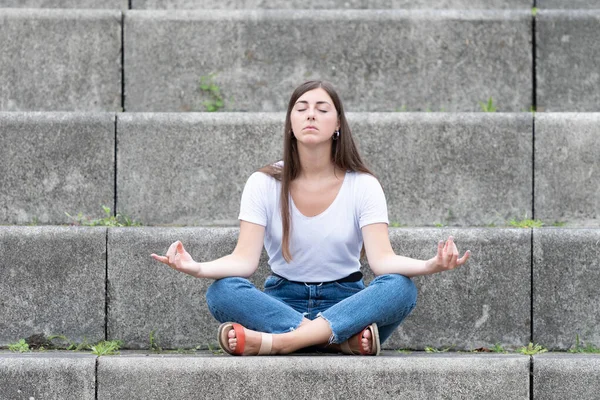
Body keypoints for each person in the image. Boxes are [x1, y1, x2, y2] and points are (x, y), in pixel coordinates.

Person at [151, 80, 470, 356]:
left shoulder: (363, 185)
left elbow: (382, 261)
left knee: (401, 288)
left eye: (322, 108)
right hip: (282, 303)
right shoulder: (263, 183)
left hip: (347, 303)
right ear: (290, 123)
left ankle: (279, 343)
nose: (311, 115)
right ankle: (335, 342)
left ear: (338, 123)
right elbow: (244, 261)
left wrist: (431, 265)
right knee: (222, 292)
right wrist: (198, 268)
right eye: (301, 108)